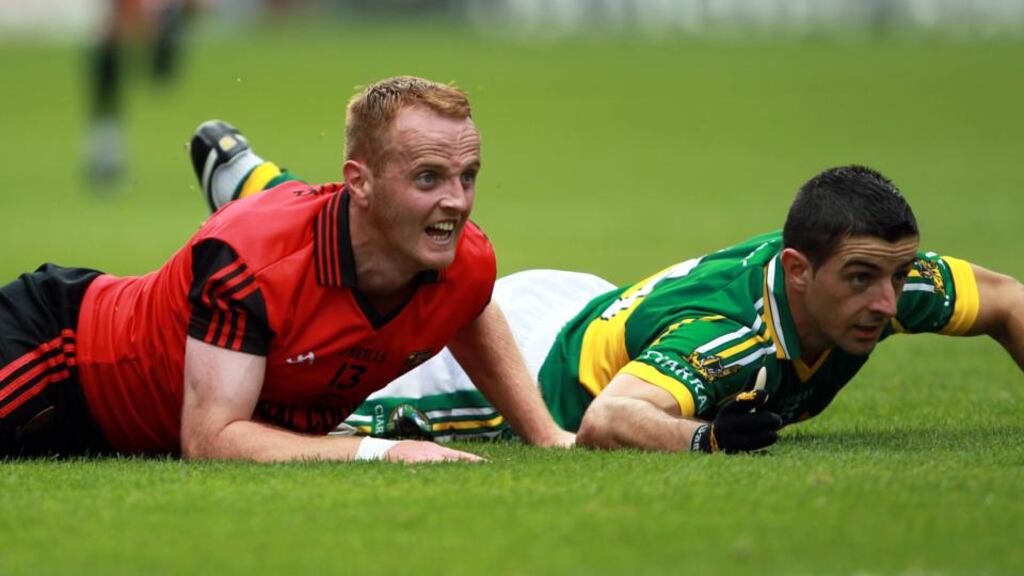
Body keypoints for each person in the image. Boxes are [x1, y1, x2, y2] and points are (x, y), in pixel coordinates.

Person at [1, 75, 571, 461]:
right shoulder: (250, 261)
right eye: (429, 178)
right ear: (360, 181)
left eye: (467, 176)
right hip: (57, 354)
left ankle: (243, 178)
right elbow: (212, 439)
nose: (457, 201)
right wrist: (382, 452)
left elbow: (471, 304)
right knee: (275, 240)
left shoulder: (462, 256)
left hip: (132, 435)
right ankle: (245, 185)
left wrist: (545, 435)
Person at [333, 165, 1024, 453]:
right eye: (864, 278)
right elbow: (608, 419)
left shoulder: (882, 277)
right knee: (305, 409)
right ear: (797, 270)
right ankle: (263, 195)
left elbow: (1008, 301)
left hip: (597, 308)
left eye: (898, 276)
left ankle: (255, 181)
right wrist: (709, 438)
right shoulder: (727, 341)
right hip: (527, 364)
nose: (885, 300)